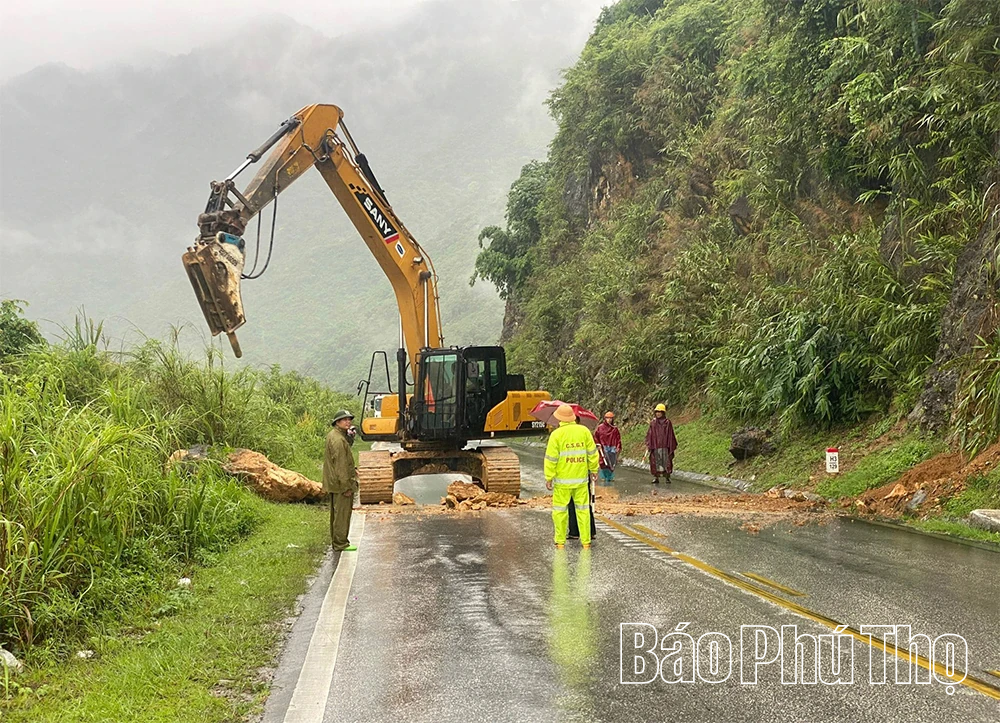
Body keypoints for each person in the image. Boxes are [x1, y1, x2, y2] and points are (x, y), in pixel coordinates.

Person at [544, 404, 599, 549]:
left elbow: (551, 459)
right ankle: (586, 541)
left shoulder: (556, 435)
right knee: (583, 511)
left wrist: (549, 477)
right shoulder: (584, 431)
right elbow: (592, 453)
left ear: (559, 418)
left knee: (560, 512)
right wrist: (594, 470)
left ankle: (560, 542)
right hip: (581, 481)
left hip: (562, 483)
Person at [323, 409, 359, 551]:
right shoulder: (338, 440)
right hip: (339, 484)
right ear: (337, 422)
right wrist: (346, 487)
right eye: (344, 420)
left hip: (334, 482)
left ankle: (337, 541)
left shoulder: (336, 435)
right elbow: (341, 465)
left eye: (349, 419)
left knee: (337, 514)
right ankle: (341, 543)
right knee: (342, 514)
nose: (348, 422)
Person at [645, 403, 677, 484]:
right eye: (657, 412)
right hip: (655, 446)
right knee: (655, 462)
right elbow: (650, 434)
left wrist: (670, 445)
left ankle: (667, 477)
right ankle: (656, 477)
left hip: (665, 446)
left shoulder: (667, 422)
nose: (658, 413)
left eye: (660, 412)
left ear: (663, 412)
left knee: (667, 462)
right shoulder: (653, 422)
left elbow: (670, 434)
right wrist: (649, 443)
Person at [593, 411, 622, 484]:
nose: (609, 420)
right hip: (603, 448)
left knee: (611, 464)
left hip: (612, 448)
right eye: (607, 418)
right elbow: (596, 437)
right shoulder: (600, 428)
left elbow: (618, 439)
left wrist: (618, 447)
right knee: (603, 463)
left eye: (610, 418)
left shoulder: (614, 429)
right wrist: (598, 445)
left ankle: (610, 478)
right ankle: (603, 478)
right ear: (605, 419)